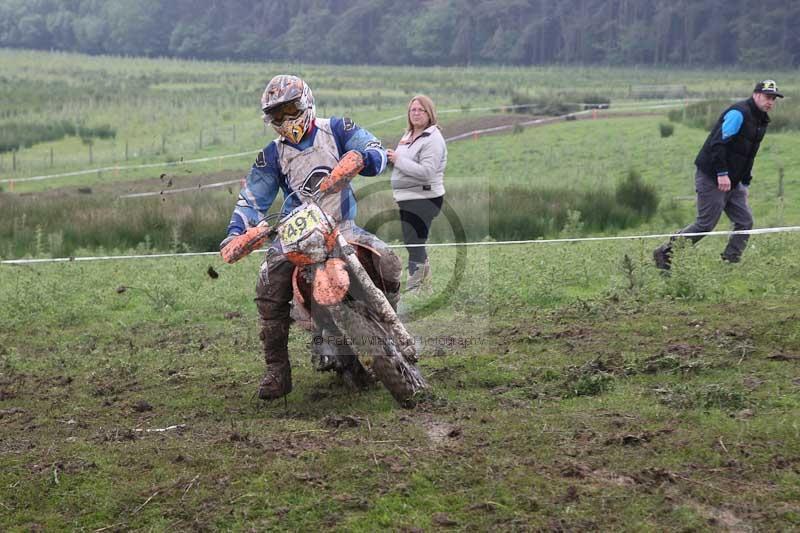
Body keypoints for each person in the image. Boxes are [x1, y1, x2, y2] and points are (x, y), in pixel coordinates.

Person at [220, 75, 401, 401]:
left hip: (341, 224)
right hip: (293, 232)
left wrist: (362, 157)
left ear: (306, 104)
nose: (287, 120)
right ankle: (277, 369)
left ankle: (389, 321)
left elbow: (371, 144)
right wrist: (237, 233)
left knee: (386, 259)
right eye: (278, 115)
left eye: (291, 109)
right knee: (268, 286)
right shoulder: (272, 155)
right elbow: (252, 198)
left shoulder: (338, 129)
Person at [653, 80, 783, 270]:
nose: (770, 102)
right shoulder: (738, 114)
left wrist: (744, 182)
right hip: (712, 176)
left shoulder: (761, 120)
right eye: (767, 97)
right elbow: (718, 144)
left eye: (773, 98)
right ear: (756, 95)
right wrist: (722, 173)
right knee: (705, 224)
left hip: (734, 181)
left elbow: (748, 153)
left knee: (744, 221)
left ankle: (729, 263)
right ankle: (665, 253)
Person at [387, 95, 447, 292]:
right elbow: (404, 165)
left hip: (425, 198)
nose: (416, 113)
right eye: (413, 110)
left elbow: (426, 172)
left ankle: (414, 287)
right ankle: (424, 284)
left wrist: (397, 160)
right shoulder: (407, 136)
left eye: (421, 110)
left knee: (414, 243)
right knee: (413, 242)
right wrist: (389, 160)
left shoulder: (433, 139)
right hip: (407, 199)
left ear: (429, 113)